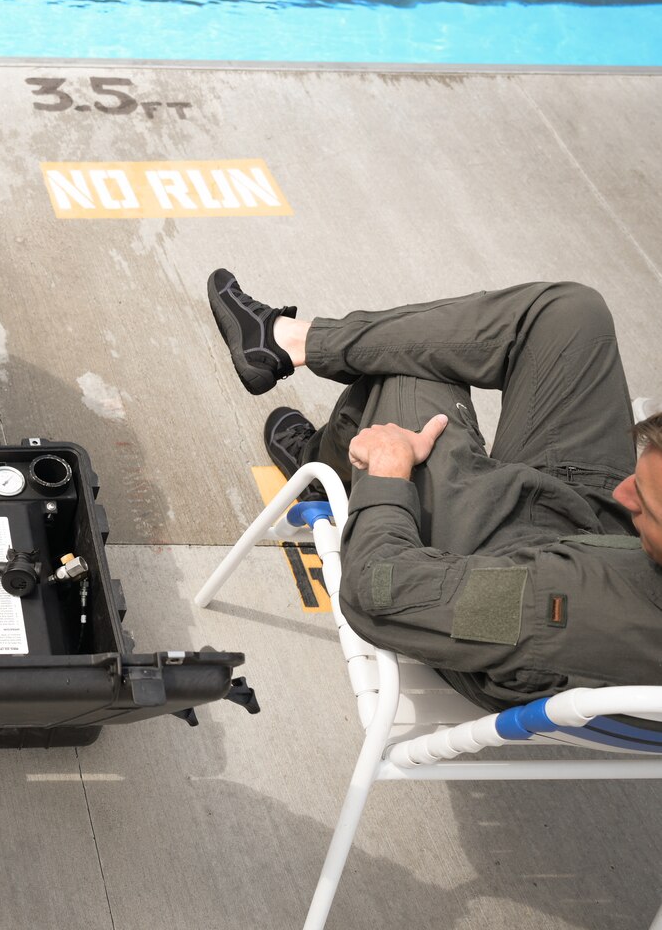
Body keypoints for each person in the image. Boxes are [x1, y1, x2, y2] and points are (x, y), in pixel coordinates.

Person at [207, 269, 661, 711]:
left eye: (648, 503)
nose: (625, 491)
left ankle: (320, 463)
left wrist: (388, 475)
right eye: (638, 481)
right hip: (598, 532)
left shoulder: (566, 607)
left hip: (503, 562)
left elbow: (379, 593)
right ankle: (291, 342)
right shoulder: (618, 538)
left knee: (412, 374)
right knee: (569, 313)